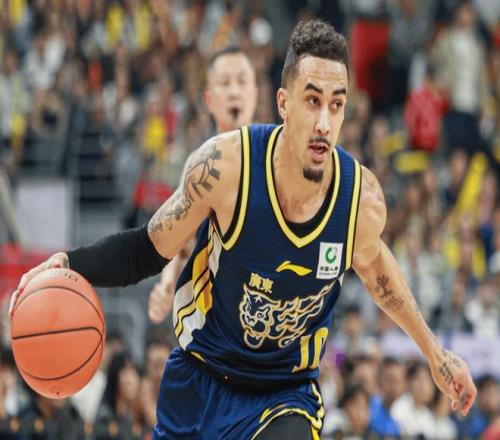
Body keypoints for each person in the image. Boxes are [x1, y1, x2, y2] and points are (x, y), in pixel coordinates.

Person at [10, 20, 477, 439]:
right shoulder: (225, 168)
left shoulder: (361, 201)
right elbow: (145, 251)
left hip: (284, 393)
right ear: (284, 103)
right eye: (312, 100)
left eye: (336, 105)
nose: (324, 122)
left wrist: (436, 354)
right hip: (199, 379)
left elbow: (379, 273)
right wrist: (70, 262)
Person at [148, 45, 258, 325]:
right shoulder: (199, 166)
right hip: (213, 319)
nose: (234, 92)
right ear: (209, 99)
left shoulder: (276, 158)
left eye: (242, 81)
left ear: (255, 93)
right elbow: (180, 239)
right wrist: (166, 282)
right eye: (224, 83)